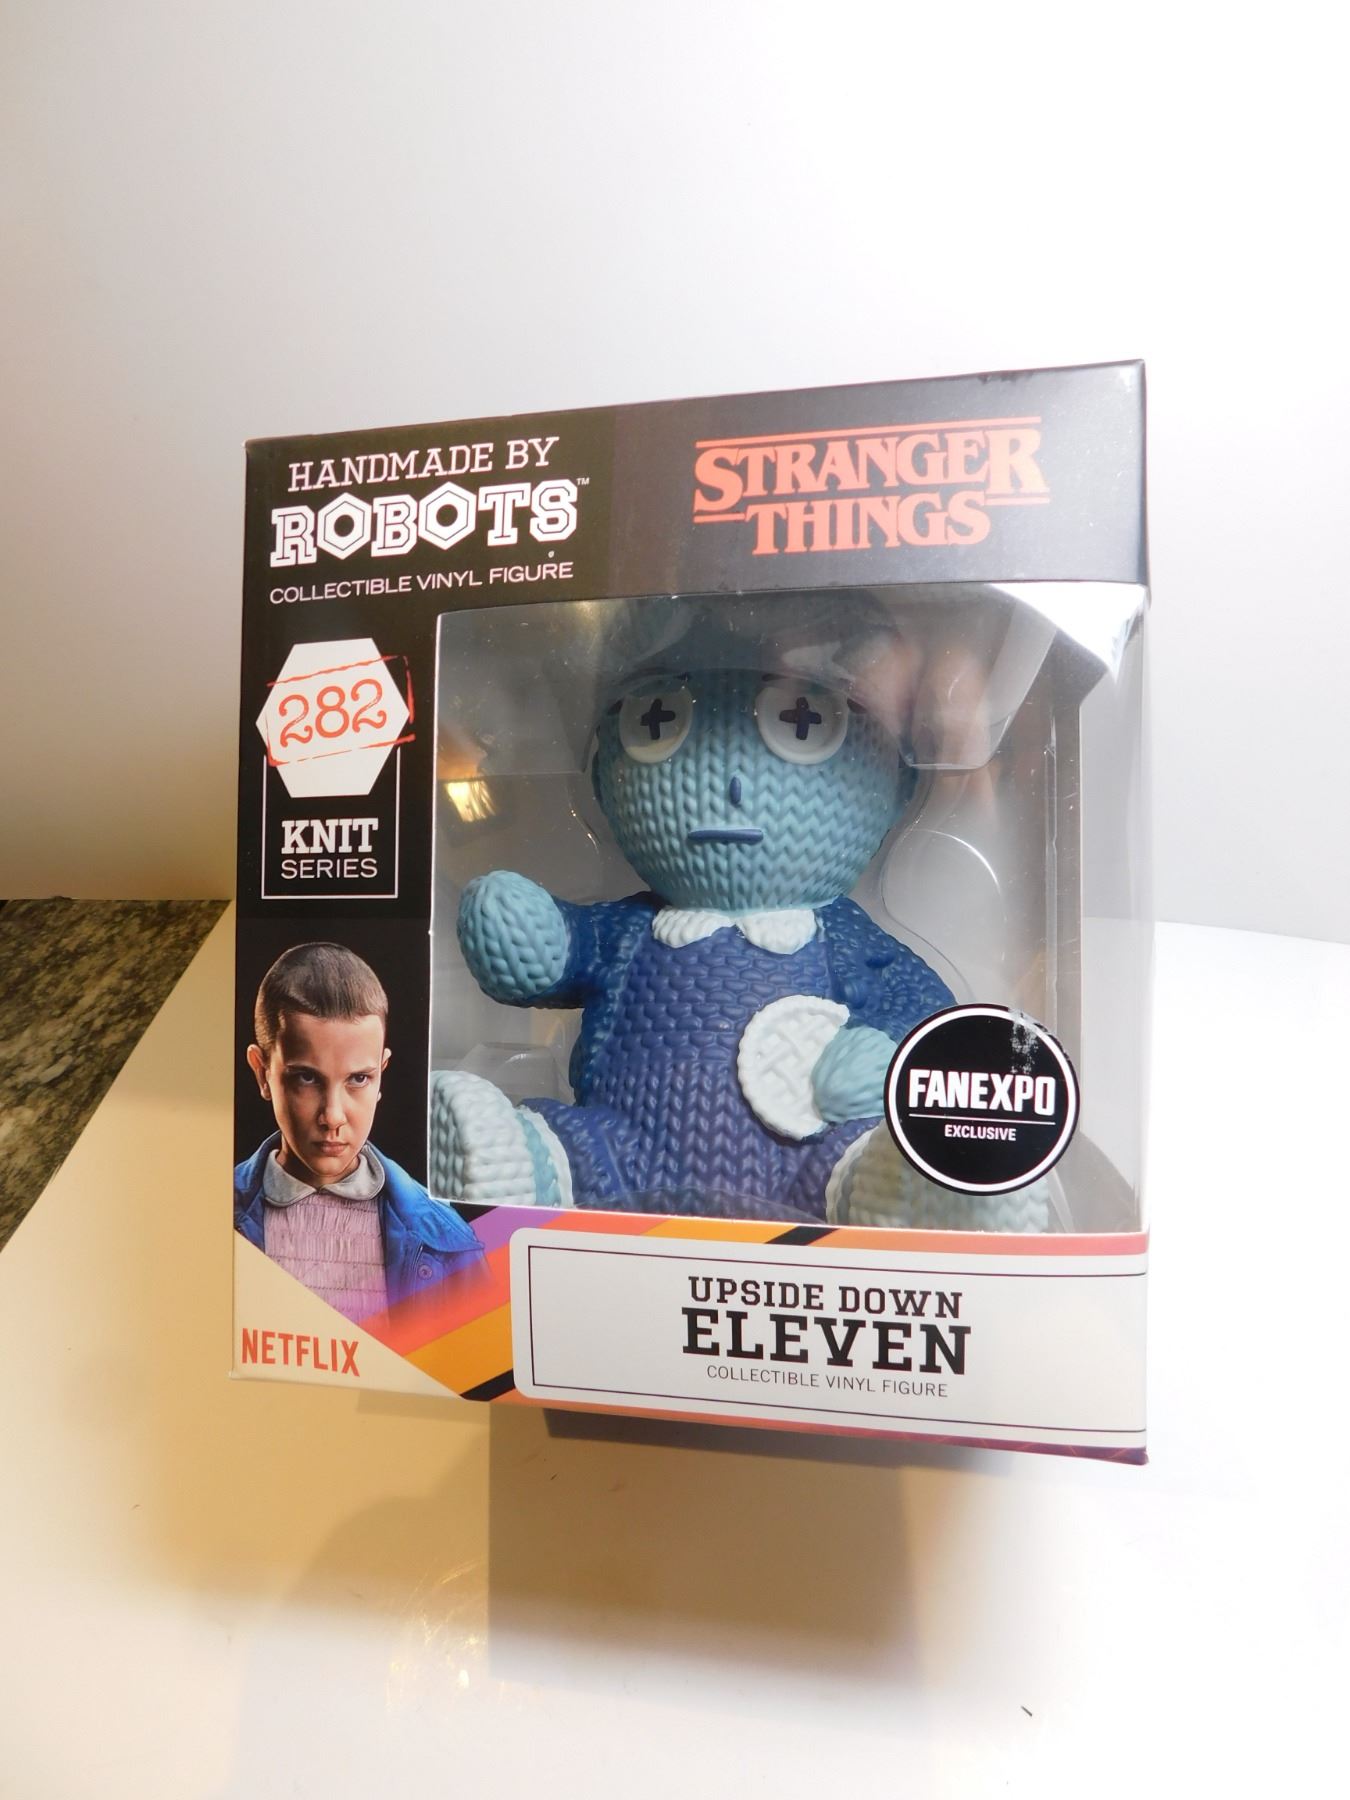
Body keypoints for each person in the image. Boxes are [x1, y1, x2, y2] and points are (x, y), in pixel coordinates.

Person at [235, 942, 482, 1323]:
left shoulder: (449, 1240)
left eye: (358, 1079)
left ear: (381, 1073)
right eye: (306, 1078)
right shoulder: (206, 1219)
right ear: (261, 1072)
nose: (332, 1116)